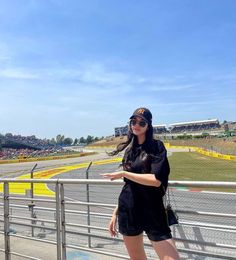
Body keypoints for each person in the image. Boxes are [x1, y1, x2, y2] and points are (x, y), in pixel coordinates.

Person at [102, 107, 179, 260]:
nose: (136, 125)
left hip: (153, 210)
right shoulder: (129, 151)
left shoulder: (157, 147)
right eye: (133, 121)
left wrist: (124, 173)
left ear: (148, 126)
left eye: (141, 122)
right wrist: (115, 212)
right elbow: (129, 186)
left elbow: (156, 181)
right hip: (129, 209)